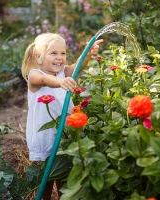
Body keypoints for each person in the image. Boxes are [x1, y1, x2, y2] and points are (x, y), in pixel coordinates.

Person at [21, 33, 103, 199]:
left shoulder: (63, 72)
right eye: (53, 53)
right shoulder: (34, 75)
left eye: (63, 53)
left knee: (63, 173)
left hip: (64, 134)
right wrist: (60, 82)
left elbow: (78, 66)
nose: (59, 58)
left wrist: (86, 54)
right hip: (44, 135)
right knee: (46, 176)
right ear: (38, 57)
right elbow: (44, 80)